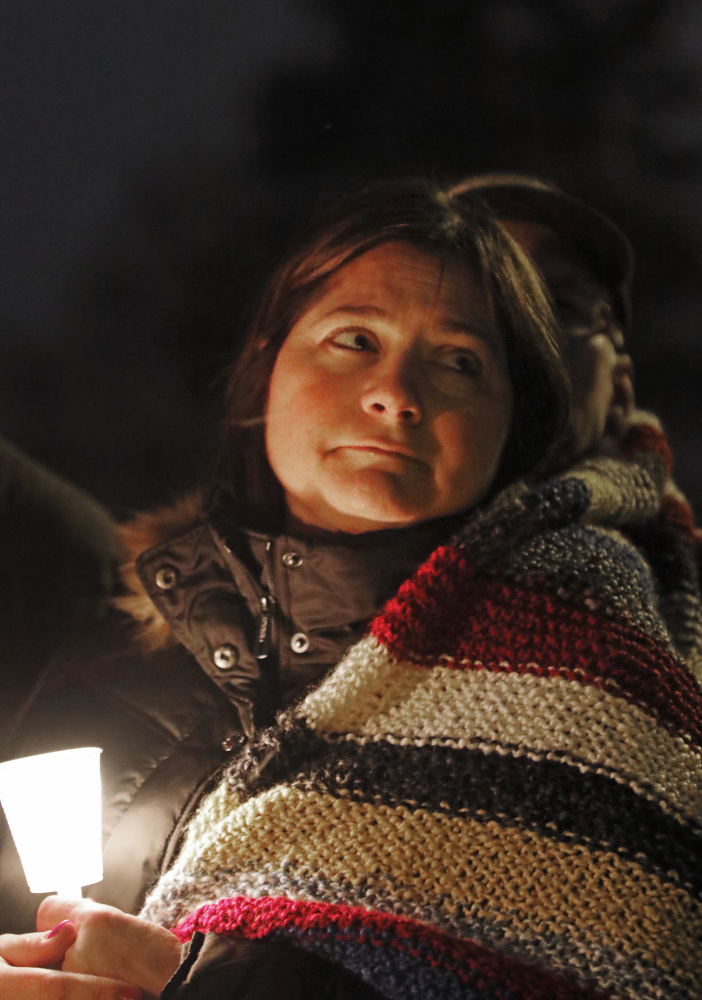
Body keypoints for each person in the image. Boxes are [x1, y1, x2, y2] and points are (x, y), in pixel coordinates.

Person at [3, 178, 702, 999]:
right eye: (355, 339)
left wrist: (198, 985)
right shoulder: (115, 647)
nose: (397, 396)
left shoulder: (583, 672)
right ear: (266, 364)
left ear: (514, 428)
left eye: (460, 362)